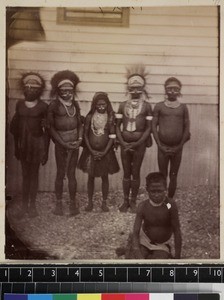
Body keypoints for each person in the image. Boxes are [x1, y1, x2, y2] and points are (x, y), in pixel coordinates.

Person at [10, 72, 49, 217]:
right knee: (25, 175)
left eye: (34, 88)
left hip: (37, 145)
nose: (31, 90)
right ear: (24, 89)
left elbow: (47, 132)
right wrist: (16, 147)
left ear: (39, 91)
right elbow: (14, 129)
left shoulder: (44, 107)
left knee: (34, 175)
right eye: (29, 87)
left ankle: (32, 206)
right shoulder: (19, 104)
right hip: (23, 145)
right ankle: (24, 206)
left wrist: (45, 151)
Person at [117, 172, 182, 259]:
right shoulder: (143, 206)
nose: (156, 195)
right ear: (147, 189)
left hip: (161, 244)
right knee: (136, 259)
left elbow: (177, 230)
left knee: (157, 263)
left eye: (159, 191)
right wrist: (137, 252)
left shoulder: (169, 205)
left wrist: (177, 257)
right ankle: (129, 249)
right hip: (144, 240)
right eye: (153, 191)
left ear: (165, 189)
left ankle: (129, 250)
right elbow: (136, 232)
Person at [116, 67, 153, 213]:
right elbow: (117, 127)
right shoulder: (122, 105)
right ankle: (125, 201)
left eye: (138, 88)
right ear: (128, 89)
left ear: (143, 89)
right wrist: (123, 142)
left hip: (140, 144)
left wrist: (138, 142)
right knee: (126, 172)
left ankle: (133, 201)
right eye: (133, 88)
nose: (135, 91)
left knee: (135, 171)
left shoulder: (147, 106)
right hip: (124, 144)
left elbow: (149, 128)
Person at [47, 70, 83, 216]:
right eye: (63, 91)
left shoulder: (75, 105)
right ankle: (59, 204)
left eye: (70, 91)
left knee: (72, 174)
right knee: (61, 173)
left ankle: (73, 204)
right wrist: (62, 142)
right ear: (58, 91)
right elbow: (51, 127)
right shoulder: (54, 106)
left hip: (74, 144)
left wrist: (79, 140)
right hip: (61, 145)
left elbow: (80, 124)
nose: (67, 94)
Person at [78, 92, 119, 212]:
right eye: (98, 105)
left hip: (106, 152)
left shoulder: (110, 117)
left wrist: (105, 152)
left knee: (104, 177)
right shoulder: (90, 117)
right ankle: (90, 202)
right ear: (94, 105)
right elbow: (85, 135)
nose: (101, 107)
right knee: (91, 177)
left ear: (107, 104)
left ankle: (104, 203)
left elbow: (112, 136)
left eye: (103, 104)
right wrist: (91, 150)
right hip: (91, 151)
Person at [152, 77, 190, 199]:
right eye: (169, 89)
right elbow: (153, 127)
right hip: (162, 147)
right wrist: (160, 145)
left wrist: (179, 146)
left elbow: (186, 129)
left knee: (173, 174)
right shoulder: (159, 106)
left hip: (177, 148)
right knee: (162, 174)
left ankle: (169, 200)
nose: (172, 91)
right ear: (165, 90)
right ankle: (162, 200)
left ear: (179, 91)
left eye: (175, 89)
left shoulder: (183, 107)